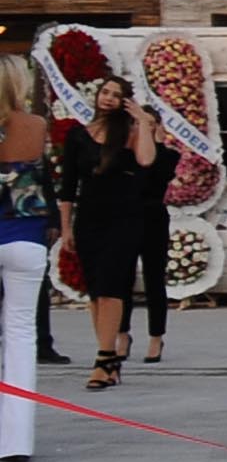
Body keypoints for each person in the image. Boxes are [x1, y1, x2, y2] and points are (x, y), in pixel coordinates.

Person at [59, 77, 158, 391]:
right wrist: (66, 227)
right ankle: (109, 357)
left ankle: (103, 360)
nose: (108, 98)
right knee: (95, 291)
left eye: (116, 95)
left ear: (125, 101)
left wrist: (141, 120)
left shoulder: (129, 133)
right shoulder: (78, 135)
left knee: (111, 286)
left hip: (123, 219)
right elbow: (67, 188)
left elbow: (147, 159)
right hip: (88, 219)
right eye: (105, 92)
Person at [0, 56, 60, 461]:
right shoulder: (36, 125)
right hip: (26, 238)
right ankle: (16, 442)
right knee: (21, 336)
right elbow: (43, 178)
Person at [115, 130, 179, 365]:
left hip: (154, 218)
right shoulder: (126, 154)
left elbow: (161, 175)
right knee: (123, 279)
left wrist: (158, 145)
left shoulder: (168, 155)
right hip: (127, 217)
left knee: (154, 280)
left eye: (152, 125)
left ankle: (156, 337)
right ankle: (122, 334)